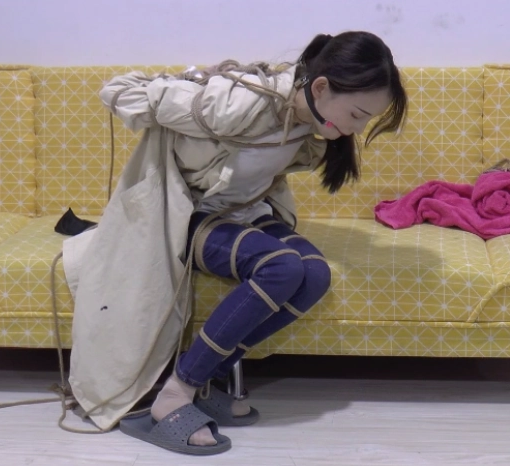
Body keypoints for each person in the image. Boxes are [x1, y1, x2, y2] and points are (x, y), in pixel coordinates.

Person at [87, 30, 407, 455]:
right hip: (184, 217)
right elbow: (116, 91)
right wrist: (190, 82)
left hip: (242, 213)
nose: (358, 129)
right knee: (282, 267)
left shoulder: (306, 122)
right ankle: (176, 393)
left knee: (314, 274)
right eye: (357, 115)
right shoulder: (239, 103)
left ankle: (205, 378)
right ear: (320, 88)